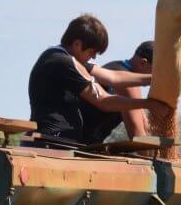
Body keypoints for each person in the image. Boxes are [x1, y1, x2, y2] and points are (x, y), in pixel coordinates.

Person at [27, 16, 160, 143]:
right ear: (77, 44)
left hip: (52, 138)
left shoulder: (60, 55)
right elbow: (103, 101)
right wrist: (148, 103)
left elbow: (114, 77)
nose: (94, 58)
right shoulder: (64, 62)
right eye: (91, 52)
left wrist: (155, 80)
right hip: (52, 140)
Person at [77, 40, 154, 144]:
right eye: (154, 73)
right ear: (143, 63)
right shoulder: (127, 83)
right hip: (77, 143)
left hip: (86, 141)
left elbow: (145, 124)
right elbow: (137, 136)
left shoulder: (118, 67)